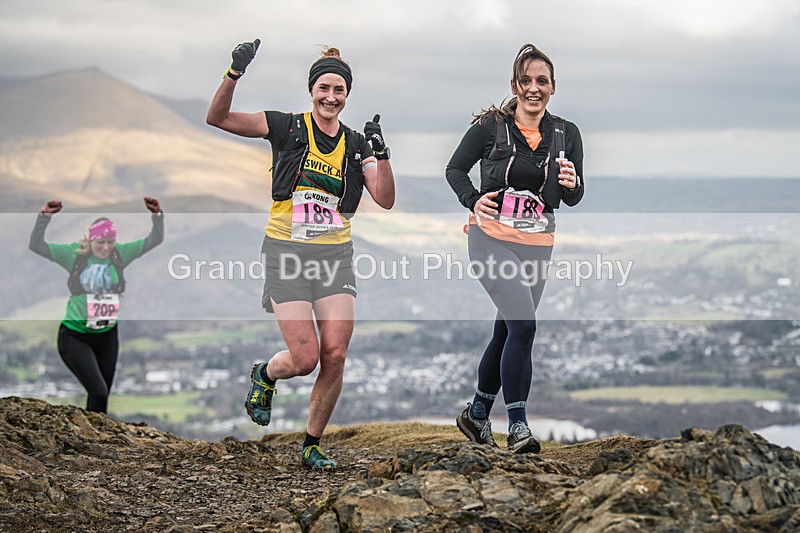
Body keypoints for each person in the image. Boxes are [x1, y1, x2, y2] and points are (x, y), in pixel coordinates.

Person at [206, 40, 395, 470]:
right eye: (324, 88)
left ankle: (311, 444)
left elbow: (384, 198)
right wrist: (234, 73)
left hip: (334, 257)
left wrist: (381, 155)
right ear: (312, 90)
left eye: (339, 90)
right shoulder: (287, 127)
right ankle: (266, 375)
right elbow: (216, 118)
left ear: (347, 95)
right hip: (286, 254)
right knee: (306, 358)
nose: (331, 97)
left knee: (335, 355)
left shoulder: (356, 143)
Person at [445, 44, 584, 453]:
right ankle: (519, 426)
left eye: (542, 81)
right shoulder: (492, 126)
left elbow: (573, 196)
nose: (533, 89)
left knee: (508, 329)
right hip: (490, 239)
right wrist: (472, 197)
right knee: (524, 326)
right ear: (514, 85)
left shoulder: (566, 133)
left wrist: (574, 184)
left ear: (553, 87)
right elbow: (455, 168)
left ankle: (477, 413)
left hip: (538, 243)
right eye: (526, 81)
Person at [29, 197, 165, 414]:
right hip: (75, 336)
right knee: (99, 391)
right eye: (100, 242)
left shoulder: (120, 255)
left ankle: (93, 443)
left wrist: (157, 216)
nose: (105, 247)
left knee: (101, 398)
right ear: (90, 240)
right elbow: (37, 246)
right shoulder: (74, 255)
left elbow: (154, 240)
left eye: (110, 242)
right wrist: (44, 217)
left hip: (107, 336)